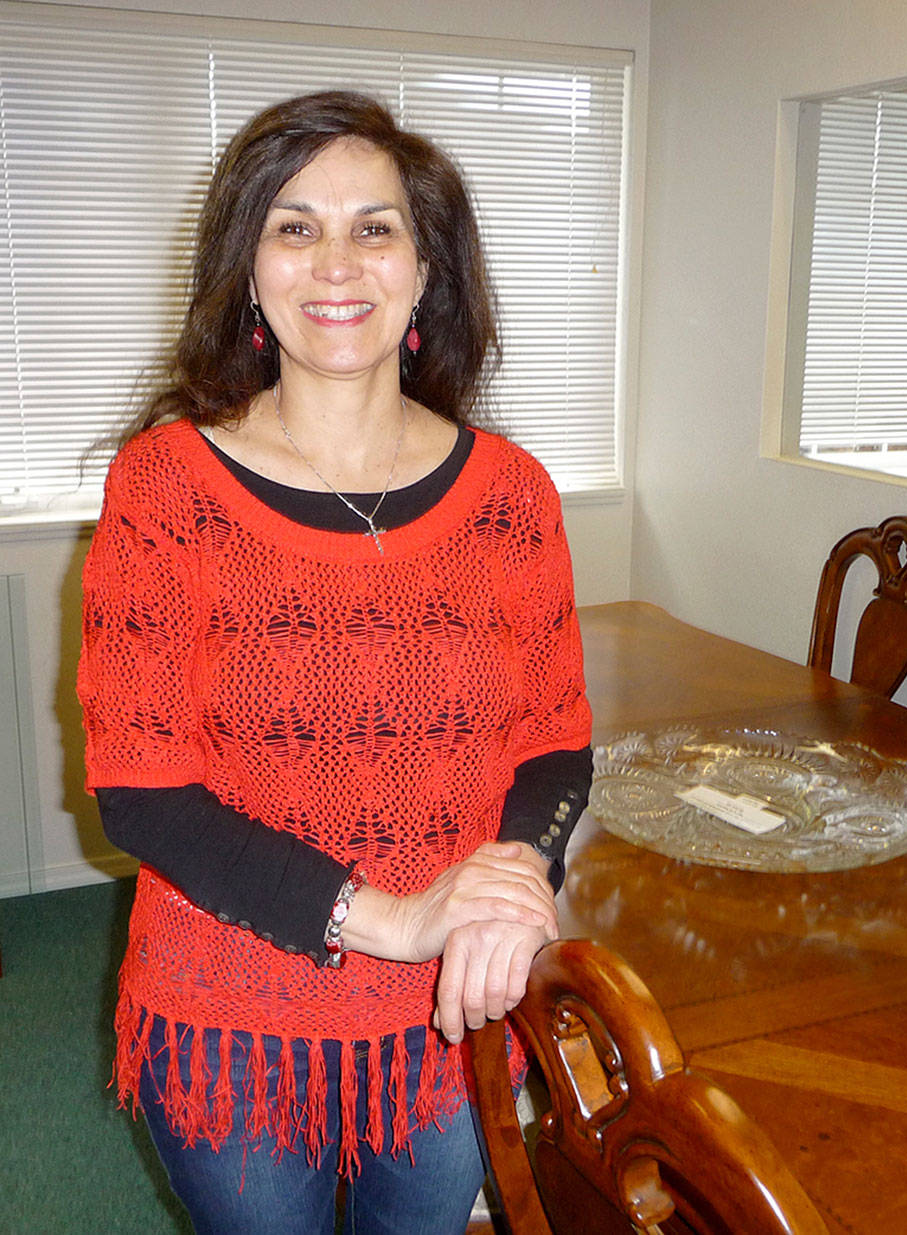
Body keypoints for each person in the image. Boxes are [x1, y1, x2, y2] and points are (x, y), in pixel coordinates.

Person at [77, 90, 593, 1235]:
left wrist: (512, 881)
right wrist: (394, 915)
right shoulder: (165, 488)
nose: (336, 262)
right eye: (294, 225)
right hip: (231, 1014)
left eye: (376, 226)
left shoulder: (512, 496)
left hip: (450, 1011)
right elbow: (141, 788)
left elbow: (555, 744)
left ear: (424, 270)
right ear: (249, 269)